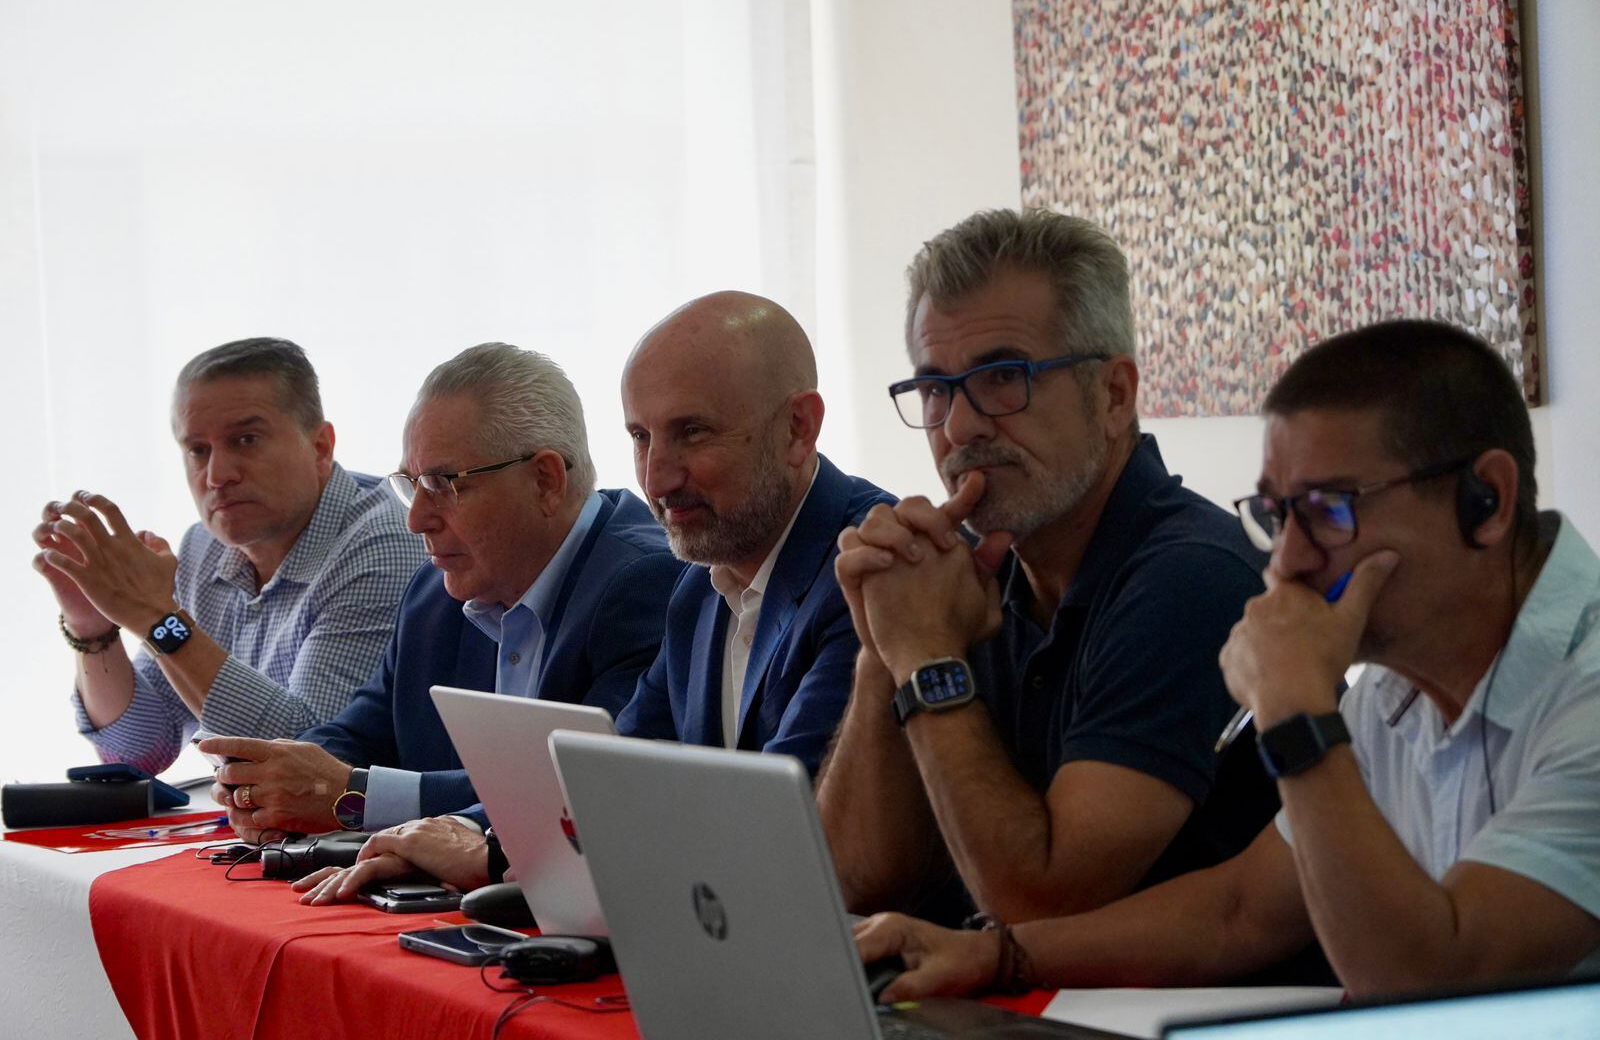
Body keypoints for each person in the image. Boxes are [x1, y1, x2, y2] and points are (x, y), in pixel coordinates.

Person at [855, 320, 1600, 1000]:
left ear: (1489, 501)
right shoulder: (1393, 692)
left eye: (1331, 510)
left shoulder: (1586, 696)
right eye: (1278, 516)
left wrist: (1300, 715)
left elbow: (1427, 982)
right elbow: (1240, 911)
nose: (1287, 564)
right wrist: (999, 957)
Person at [292, 291, 893, 903]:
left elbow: (780, 822)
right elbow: (614, 772)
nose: (657, 477)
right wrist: (462, 838)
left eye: (693, 433)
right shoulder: (701, 583)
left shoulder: (870, 570)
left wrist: (492, 854)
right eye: (640, 437)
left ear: (799, 428)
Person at [818, 209, 1278, 927]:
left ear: (1114, 396)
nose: (959, 428)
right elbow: (855, 882)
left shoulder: (1192, 576)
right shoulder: (972, 572)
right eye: (935, 388)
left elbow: (1040, 899)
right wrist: (884, 643)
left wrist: (927, 654)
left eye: (1004, 377)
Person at [199, 344, 681, 838]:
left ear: (545, 480)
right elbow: (360, 732)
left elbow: (577, 791)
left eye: (443, 484)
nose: (416, 519)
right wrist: (270, 781)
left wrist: (350, 796)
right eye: (411, 485)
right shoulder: (437, 589)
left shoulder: (645, 583)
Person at [32, 338, 422, 776]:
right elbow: (139, 753)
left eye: (246, 439)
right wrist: (93, 626)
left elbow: (309, 763)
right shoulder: (204, 546)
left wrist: (156, 617)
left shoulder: (386, 541)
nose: (217, 475)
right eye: (198, 450)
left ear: (320, 447)